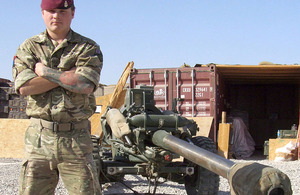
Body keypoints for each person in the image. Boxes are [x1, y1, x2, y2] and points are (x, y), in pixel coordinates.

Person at [12, 0, 103, 194]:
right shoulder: (29, 47)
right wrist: (67, 75)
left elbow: (86, 85)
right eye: (51, 11)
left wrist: (44, 71)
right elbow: (25, 86)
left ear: (73, 13)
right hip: (39, 139)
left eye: (62, 11)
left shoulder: (87, 47)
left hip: (76, 139)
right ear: (43, 13)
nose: (56, 16)